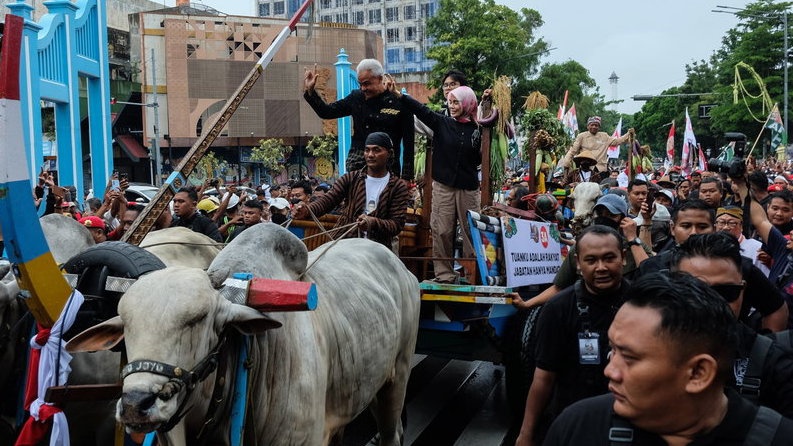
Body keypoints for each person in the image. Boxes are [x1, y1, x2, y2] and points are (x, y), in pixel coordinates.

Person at [543, 272, 793, 446]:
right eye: (613, 351)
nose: (610, 371)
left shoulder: (778, 438)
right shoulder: (578, 427)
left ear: (698, 373)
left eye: (629, 358)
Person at [515, 225, 630, 446]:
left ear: (623, 257)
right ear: (578, 263)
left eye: (609, 258)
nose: (601, 268)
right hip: (573, 421)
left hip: (629, 420)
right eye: (591, 260)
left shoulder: (643, 302)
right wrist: (526, 434)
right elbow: (544, 377)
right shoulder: (558, 308)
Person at [672, 232, 793, 417]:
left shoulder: (774, 361)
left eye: (726, 291)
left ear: (742, 289)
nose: (713, 302)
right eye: (696, 291)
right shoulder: (642, 350)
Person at [637, 200, 788, 332]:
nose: (694, 233)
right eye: (686, 226)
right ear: (672, 228)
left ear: (714, 228)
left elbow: (775, 308)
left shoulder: (739, 266)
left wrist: (762, 351)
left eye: (702, 226)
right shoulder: (652, 267)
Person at [399, 85, 484, 283]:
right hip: (443, 185)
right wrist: (402, 96)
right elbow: (422, 111)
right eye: (450, 102)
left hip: (468, 188)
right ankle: (444, 274)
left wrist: (487, 102)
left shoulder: (479, 129)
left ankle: (472, 274)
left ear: (468, 104)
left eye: (457, 102)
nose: (452, 106)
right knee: (442, 230)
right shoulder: (442, 123)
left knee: (471, 232)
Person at [513, 194, 649, 310]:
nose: (601, 267)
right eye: (600, 214)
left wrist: (632, 239)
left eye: (611, 215)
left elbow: (650, 273)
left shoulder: (634, 246)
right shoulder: (581, 246)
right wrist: (527, 304)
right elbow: (559, 287)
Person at [292, 132, 409, 248]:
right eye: (367, 150)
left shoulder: (398, 186)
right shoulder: (351, 178)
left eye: (377, 150)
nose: (370, 154)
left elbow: (397, 224)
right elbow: (328, 201)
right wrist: (307, 210)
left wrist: (372, 222)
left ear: (389, 153)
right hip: (345, 242)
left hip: (378, 248)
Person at [303, 58, 415, 179]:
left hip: (388, 168)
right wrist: (311, 91)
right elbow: (327, 112)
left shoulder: (400, 102)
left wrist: (407, 177)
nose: (363, 88)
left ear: (380, 78)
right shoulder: (356, 97)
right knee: (357, 196)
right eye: (360, 84)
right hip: (358, 164)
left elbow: (409, 143)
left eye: (367, 84)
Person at [559, 116, 635, 174]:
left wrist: (628, 134)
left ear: (599, 127)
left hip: (601, 169)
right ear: (588, 126)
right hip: (585, 169)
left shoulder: (604, 136)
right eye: (592, 125)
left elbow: (617, 141)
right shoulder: (581, 136)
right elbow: (573, 150)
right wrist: (566, 162)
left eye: (596, 125)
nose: (594, 127)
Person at [715, 206, 769, 275]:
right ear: (715, 225)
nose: (725, 227)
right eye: (721, 223)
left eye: (731, 223)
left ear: (741, 226)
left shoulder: (757, 248)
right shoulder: (708, 247)